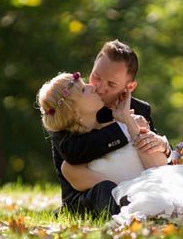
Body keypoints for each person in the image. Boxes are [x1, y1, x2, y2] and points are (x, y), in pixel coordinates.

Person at [45, 40, 170, 217]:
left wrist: (163, 145)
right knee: (106, 191)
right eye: (96, 76)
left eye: (111, 84)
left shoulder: (140, 109)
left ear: (129, 87)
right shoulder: (69, 109)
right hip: (88, 197)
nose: (99, 87)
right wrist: (124, 126)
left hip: (140, 189)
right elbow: (73, 152)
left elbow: (158, 159)